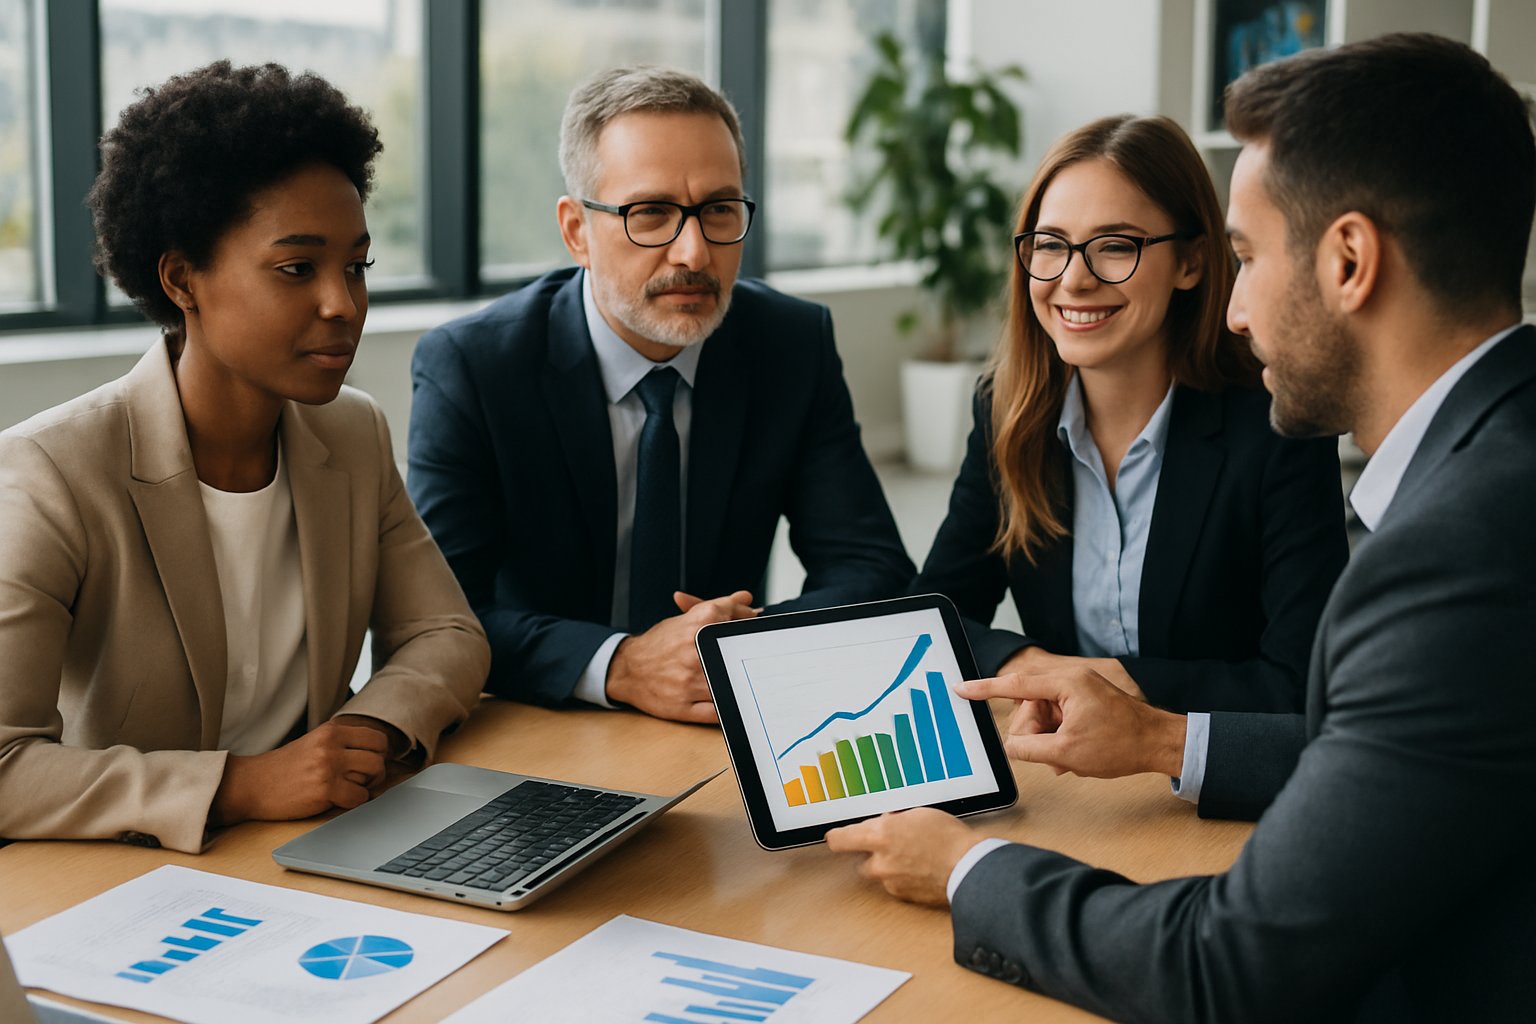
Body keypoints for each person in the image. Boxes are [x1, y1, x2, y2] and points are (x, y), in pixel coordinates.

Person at [827, 33, 1536, 1021]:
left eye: (1247, 257)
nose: (1237, 312)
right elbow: (1367, 750)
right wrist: (1145, 727)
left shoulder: (1456, 553)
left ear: (1349, 260)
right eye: (1049, 246)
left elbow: (1229, 965)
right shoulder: (1491, 472)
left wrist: (968, 868)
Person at [0, 62, 489, 854]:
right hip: (126, 873)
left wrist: (365, 732)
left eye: (356, 266)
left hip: (313, 844)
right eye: (297, 268)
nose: (343, 303)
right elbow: (5, 762)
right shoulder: (49, 472)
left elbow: (447, 633)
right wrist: (242, 784)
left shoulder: (352, 434)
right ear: (181, 280)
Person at [408, 65, 912, 724]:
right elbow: (436, 617)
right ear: (577, 231)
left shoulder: (789, 343)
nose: (694, 254)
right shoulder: (475, 367)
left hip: (715, 717)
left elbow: (871, 567)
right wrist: (621, 665)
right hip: (544, 719)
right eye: (651, 214)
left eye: (719, 209)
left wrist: (741, 649)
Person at [913, 114, 1346, 716]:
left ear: (1191, 262)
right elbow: (931, 616)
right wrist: (1028, 666)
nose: (1074, 280)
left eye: (1116, 246)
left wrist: (1107, 681)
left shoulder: (1277, 427)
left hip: (1200, 768)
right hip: (1065, 759)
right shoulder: (1007, 410)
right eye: (1051, 244)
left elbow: (1300, 686)